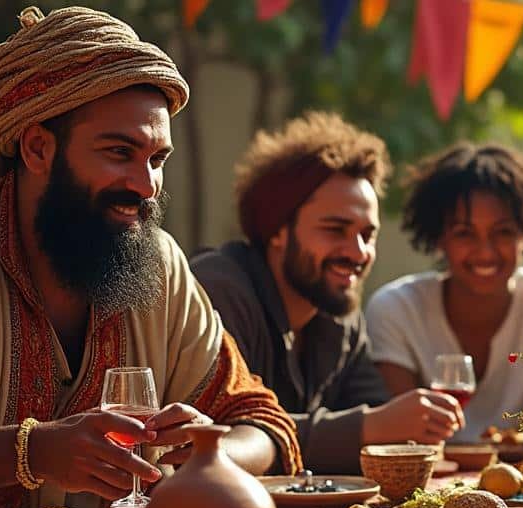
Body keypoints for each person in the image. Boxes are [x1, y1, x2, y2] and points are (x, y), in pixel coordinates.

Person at [0, 6, 300, 508]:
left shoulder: (156, 262)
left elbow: (262, 423)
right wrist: (34, 452)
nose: (147, 185)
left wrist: (206, 453)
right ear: (37, 148)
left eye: (157, 159)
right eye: (120, 153)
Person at [192, 112, 465, 474]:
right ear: (277, 231)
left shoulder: (339, 310)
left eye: (367, 235)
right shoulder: (218, 290)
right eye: (335, 230)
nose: (357, 252)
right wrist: (370, 427)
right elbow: (217, 438)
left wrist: (403, 424)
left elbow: (378, 415)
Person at [364, 143, 523, 443]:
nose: (485, 252)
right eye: (464, 233)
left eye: (503, 232)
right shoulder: (396, 309)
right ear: (439, 239)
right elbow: (403, 437)